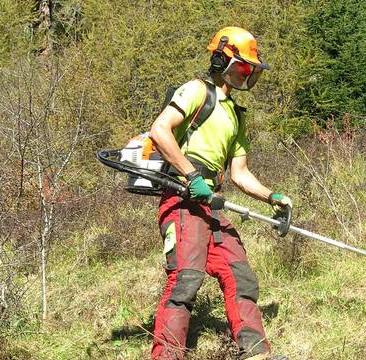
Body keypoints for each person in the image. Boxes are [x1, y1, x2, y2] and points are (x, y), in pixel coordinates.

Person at [148, 26, 291, 360]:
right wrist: (192, 175)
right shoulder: (196, 91)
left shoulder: (237, 116)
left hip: (211, 204)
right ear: (221, 60)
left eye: (250, 69)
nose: (247, 73)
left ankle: (255, 352)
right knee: (186, 278)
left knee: (240, 275)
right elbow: (160, 130)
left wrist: (273, 197)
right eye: (242, 66)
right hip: (182, 198)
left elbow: (239, 173)